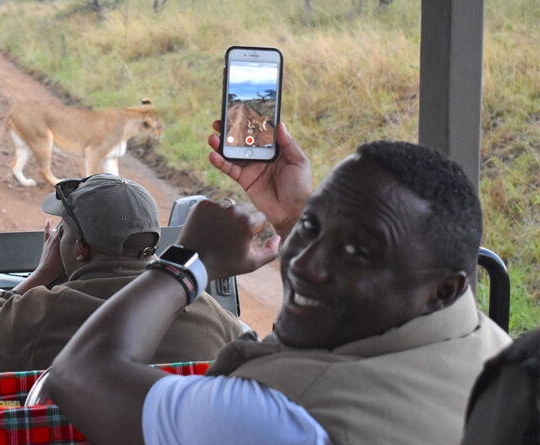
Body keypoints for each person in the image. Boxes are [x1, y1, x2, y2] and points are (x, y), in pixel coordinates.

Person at [43, 122, 512, 445]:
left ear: (443, 289)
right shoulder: (493, 352)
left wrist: (190, 261)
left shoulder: (276, 415)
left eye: (356, 251)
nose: (305, 263)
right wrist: (293, 218)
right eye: (311, 227)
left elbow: (80, 374)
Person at [0, 174, 244, 373]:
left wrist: (39, 276)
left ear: (80, 251)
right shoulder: (208, 312)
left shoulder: (45, 311)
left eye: (63, 234)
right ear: (151, 244)